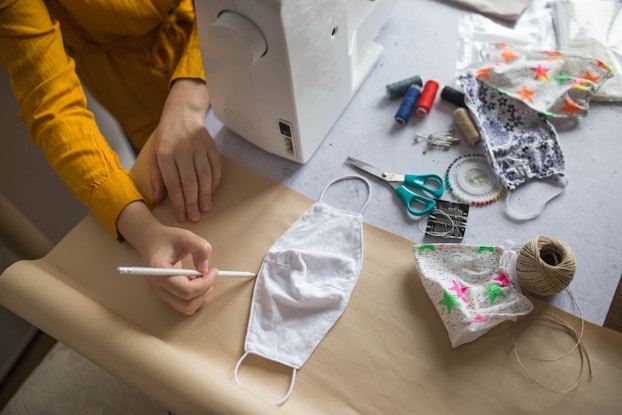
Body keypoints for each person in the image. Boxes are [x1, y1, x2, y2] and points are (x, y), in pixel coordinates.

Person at [0, 0, 221, 315]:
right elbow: (52, 105)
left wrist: (189, 92)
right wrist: (145, 232)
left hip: (241, 30)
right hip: (140, 95)